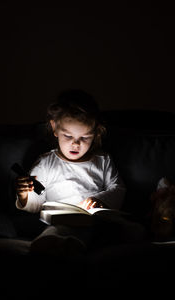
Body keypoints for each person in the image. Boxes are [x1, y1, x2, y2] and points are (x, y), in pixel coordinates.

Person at [15, 89, 126, 255]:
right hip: (60, 223)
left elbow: (118, 188)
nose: (76, 144)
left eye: (85, 138)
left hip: (96, 222)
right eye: (68, 136)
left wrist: (100, 201)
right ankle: (60, 245)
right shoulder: (46, 163)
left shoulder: (102, 160)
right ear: (55, 128)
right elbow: (36, 201)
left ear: (95, 133)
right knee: (58, 231)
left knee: (128, 227)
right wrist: (25, 195)